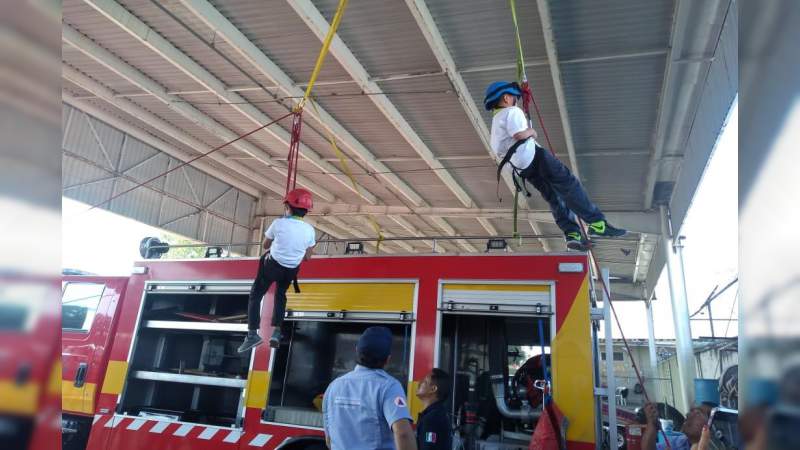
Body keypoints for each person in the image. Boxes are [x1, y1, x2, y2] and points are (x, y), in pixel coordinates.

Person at [483, 81, 627, 251]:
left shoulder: (496, 120)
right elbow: (519, 135)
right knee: (568, 183)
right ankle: (597, 222)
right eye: (514, 97)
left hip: (521, 168)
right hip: (534, 157)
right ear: (506, 98)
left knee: (553, 197)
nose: (516, 100)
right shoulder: (512, 111)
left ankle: (571, 233)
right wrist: (532, 132)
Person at [237, 188, 316, 352]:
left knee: (255, 295)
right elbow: (308, 257)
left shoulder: (278, 223)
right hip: (291, 270)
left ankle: (252, 334)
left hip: (272, 266)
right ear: (306, 211)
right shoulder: (310, 230)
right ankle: (276, 332)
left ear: (288, 207)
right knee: (280, 295)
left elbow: (265, 245)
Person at [323, 326, 417, 450]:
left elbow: (329, 440)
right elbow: (403, 434)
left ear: (357, 351)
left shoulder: (333, 386)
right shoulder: (389, 386)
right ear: (388, 359)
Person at [641, 402, 712, 450]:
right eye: (691, 411)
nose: (687, 414)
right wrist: (652, 424)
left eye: (697, 413)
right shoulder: (680, 442)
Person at [415, 369, 453, 450]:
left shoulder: (431, 419)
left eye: (424, 381)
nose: (419, 382)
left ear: (433, 389)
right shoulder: (438, 414)